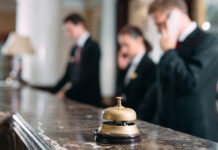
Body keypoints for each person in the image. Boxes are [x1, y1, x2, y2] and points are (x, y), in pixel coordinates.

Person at [149, 0, 218, 141]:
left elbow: (191, 81)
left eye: (160, 24)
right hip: (168, 131)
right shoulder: (172, 45)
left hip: (195, 134)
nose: (158, 30)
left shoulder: (208, 41)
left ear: (175, 15)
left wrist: (168, 51)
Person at [50, 13, 101, 107]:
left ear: (80, 25)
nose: (67, 34)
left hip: (89, 100)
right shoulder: (74, 49)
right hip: (75, 99)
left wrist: (66, 93)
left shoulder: (93, 46)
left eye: (69, 30)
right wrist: (52, 92)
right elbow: (67, 75)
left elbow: (88, 76)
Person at [116, 26, 156, 121]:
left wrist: (134, 120)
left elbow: (148, 102)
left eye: (126, 45)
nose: (123, 50)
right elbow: (121, 93)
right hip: (124, 119)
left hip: (139, 121)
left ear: (138, 40)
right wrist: (121, 70)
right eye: (121, 46)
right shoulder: (127, 65)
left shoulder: (150, 67)